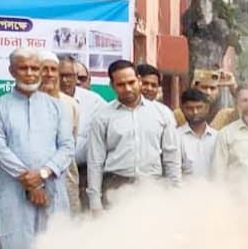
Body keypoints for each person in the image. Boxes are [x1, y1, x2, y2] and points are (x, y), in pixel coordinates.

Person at [0, 47, 74, 249]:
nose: (30, 73)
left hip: (52, 189)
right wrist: (30, 183)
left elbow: (67, 147)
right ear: (12, 71)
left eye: (35, 68)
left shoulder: (56, 106)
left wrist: (44, 174)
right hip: (14, 191)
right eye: (23, 68)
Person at [87, 60, 180, 211]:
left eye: (131, 82)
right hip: (115, 187)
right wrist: (95, 202)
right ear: (112, 85)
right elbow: (95, 161)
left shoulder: (162, 113)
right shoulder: (102, 116)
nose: (128, 88)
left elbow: (171, 158)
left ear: (139, 80)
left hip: (153, 186)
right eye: (121, 85)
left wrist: (175, 193)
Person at [59, 55, 108, 210]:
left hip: (87, 174)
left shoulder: (95, 102)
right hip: (55, 174)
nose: (65, 81)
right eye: (61, 75)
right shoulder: (43, 101)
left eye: (71, 76)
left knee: (86, 226)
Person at [39, 51, 84, 215]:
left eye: (53, 70)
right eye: (45, 70)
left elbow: (69, 147)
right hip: (30, 182)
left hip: (65, 181)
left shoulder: (71, 105)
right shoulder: (20, 104)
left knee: (65, 235)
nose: (50, 75)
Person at [178, 88, 218, 178]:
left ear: (207, 108)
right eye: (189, 108)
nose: (195, 112)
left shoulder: (218, 137)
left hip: (215, 190)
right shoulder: (176, 137)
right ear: (182, 109)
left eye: (199, 107)